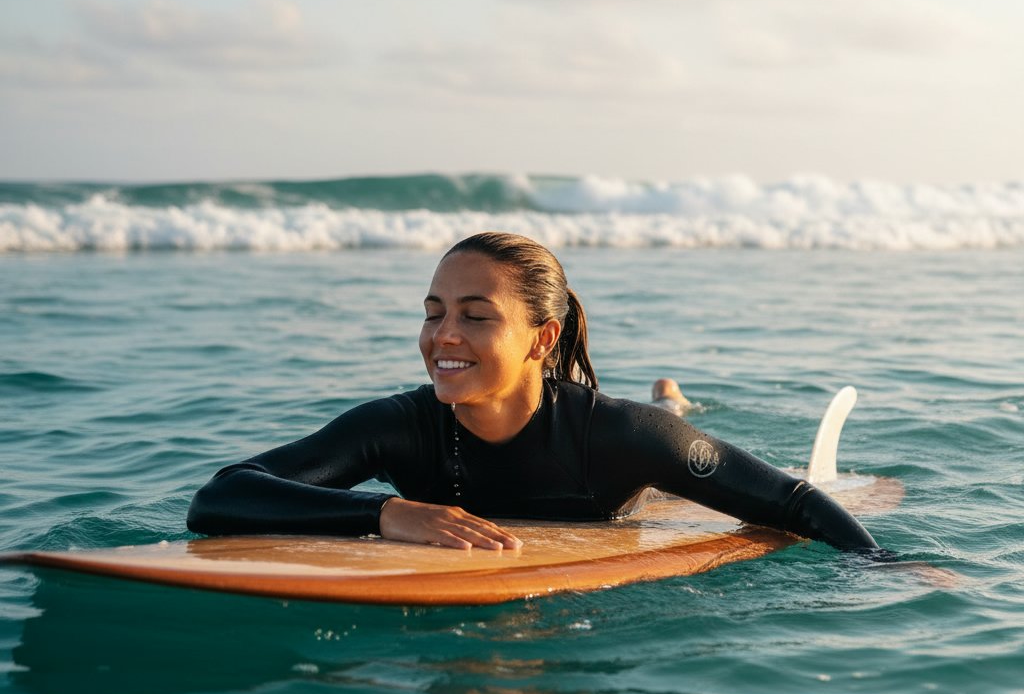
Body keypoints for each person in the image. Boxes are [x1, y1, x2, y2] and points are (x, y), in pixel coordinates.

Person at [188, 232, 878, 553]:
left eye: (475, 316)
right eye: (434, 313)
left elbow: (791, 500)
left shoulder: (620, 436)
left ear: (543, 340)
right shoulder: (398, 426)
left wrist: (887, 569)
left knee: (669, 456)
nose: (444, 337)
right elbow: (221, 497)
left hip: (643, 488)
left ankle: (673, 398)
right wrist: (385, 514)